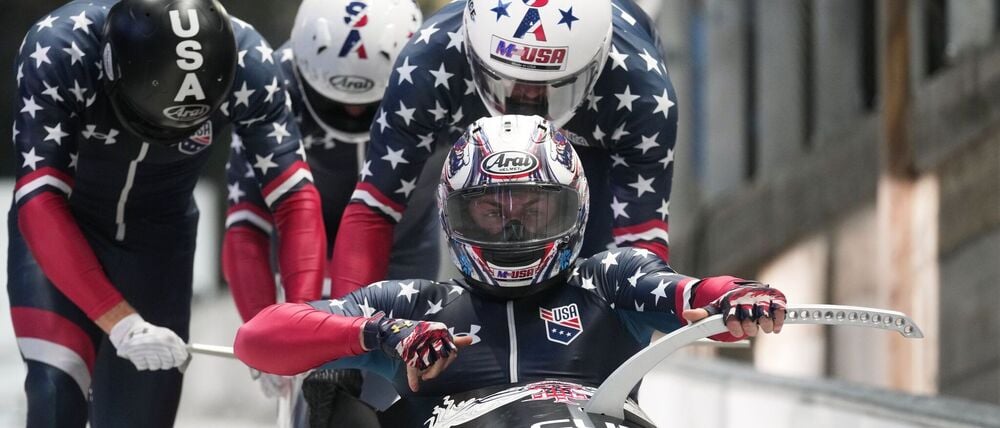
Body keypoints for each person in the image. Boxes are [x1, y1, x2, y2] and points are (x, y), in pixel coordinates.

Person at [234, 115, 787, 424]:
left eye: (534, 210)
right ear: (455, 214)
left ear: (574, 209)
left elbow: (688, 290)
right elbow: (256, 338)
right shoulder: (415, 308)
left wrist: (735, 296)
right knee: (331, 391)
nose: (513, 232)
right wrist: (385, 334)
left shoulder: (609, 280)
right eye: (489, 212)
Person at [7, 0, 325, 426]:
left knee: (140, 418)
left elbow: (295, 199)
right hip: (62, 226)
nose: (163, 136)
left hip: (158, 245)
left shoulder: (250, 61)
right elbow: (38, 199)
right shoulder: (59, 47)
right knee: (55, 391)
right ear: (111, 66)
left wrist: (298, 327)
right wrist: (120, 321)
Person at [330, 0, 679, 297]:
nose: (527, 96)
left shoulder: (641, 92)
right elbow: (375, 206)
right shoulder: (429, 60)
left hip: (594, 155)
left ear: (595, 63)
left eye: (550, 85)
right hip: (470, 141)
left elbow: (639, 246)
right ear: (474, 53)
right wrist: (343, 338)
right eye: (509, 80)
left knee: (596, 271)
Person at [220, 0, 424, 418]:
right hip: (311, 240)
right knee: (321, 383)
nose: (353, 112)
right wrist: (270, 330)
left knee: (398, 380)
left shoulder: (430, 73)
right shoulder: (270, 80)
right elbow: (246, 223)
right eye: (335, 101)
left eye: (368, 104)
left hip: (405, 238)